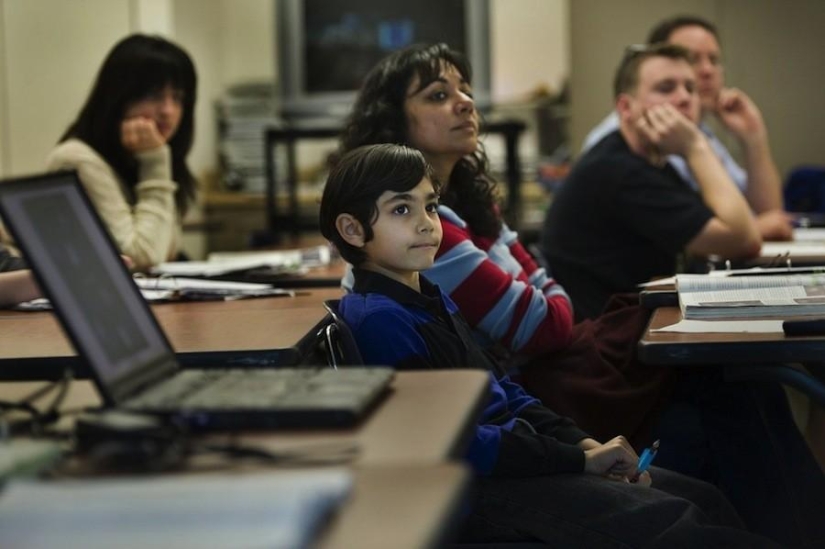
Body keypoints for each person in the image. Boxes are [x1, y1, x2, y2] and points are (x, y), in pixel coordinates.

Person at [336, 43, 825, 548]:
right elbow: (546, 325)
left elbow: (545, 309)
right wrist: (575, 453)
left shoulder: (458, 220)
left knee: (726, 416)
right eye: (440, 94)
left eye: (466, 90)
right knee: (727, 405)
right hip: (527, 414)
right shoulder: (429, 256)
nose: (464, 102)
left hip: (530, 404)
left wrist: (575, 442)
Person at [543, 43, 761, 321]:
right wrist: (695, 146)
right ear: (625, 107)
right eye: (666, 88)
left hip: (640, 332)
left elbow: (728, 228)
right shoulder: (619, 171)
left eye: (690, 88)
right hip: (613, 350)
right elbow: (743, 240)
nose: (685, 98)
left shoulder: (652, 163)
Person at [581, 15, 794, 242]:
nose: (706, 70)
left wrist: (753, 138)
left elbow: (769, 215)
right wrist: (695, 147)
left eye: (714, 60)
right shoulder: (628, 144)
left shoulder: (695, 135)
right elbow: (737, 236)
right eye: (692, 58)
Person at [43, 34, 197, 270]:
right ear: (118, 98)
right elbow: (140, 258)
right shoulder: (75, 160)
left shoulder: (140, 160)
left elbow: (167, 256)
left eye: (177, 98)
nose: (168, 110)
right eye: (154, 95)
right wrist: (155, 164)